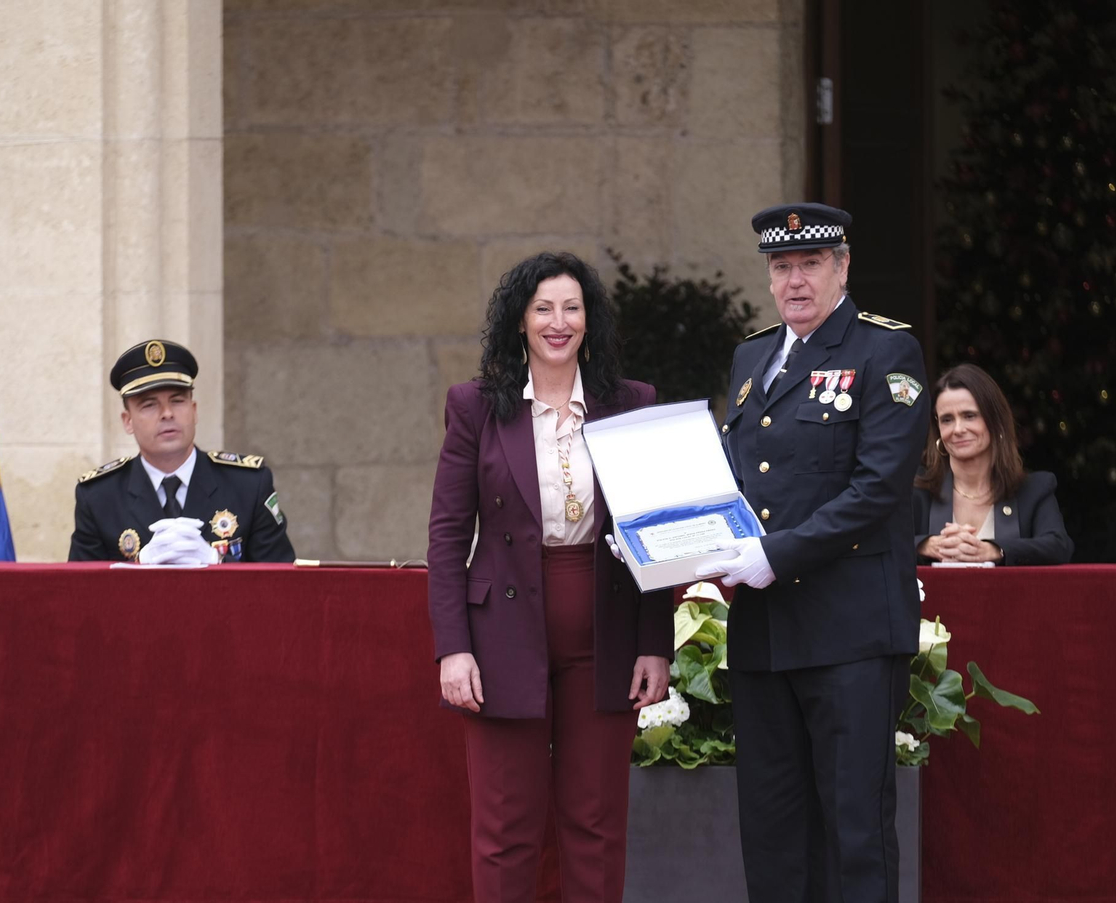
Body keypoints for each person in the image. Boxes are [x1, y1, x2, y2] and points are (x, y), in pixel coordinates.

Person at [695, 202, 928, 903]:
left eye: (810, 264)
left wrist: (780, 554)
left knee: (854, 830)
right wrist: (669, 534)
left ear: (842, 267)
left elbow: (879, 488)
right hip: (766, 633)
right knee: (772, 830)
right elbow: (731, 479)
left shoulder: (885, 351)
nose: (795, 281)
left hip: (849, 631)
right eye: (781, 267)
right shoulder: (751, 356)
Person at [426, 251, 673, 903]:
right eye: (543, 308)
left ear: (590, 321)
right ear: (520, 322)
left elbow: (655, 532)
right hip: (502, 633)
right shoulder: (475, 405)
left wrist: (655, 641)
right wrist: (453, 647)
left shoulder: (631, 402)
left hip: (607, 634)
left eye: (571, 307)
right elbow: (448, 534)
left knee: (595, 823)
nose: (557, 321)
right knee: (506, 829)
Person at [68, 339, 294, 563]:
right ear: (128, 421)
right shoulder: (100, 497)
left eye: (177, 401)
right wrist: (137, 566)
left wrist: (218, 563)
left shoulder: (248, 485)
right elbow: (80, 591)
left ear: (194, 411)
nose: (167, 414)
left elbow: (282, 583)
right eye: (149, 405)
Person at [912, 363, 1073, 565]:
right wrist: (925, 546)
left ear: (995, 422)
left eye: (969, 416)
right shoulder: (915, 488)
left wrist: (993, 550)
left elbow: (1059, 547)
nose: (958, 429)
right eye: (947, 420)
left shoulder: (1034, 490)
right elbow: (878, 542)